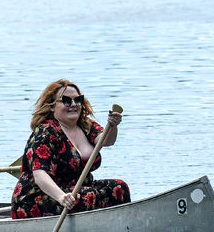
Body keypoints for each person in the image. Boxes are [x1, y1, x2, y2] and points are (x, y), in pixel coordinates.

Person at [10, 79, 130, 219]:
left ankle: (121, 229)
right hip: (38, 197)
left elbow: (106, 141)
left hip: (77, 189)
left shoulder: (86, 124)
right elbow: (40, 175)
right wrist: (61, 197)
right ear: (52, 106)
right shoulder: (46, 131)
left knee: (118, 188)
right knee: (87, 195)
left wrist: (113, 126)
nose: (73, 104)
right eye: (66, 101)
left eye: (77, 100)